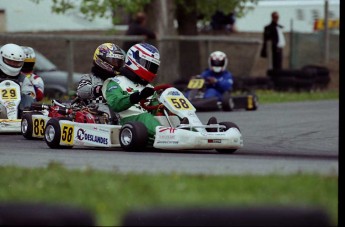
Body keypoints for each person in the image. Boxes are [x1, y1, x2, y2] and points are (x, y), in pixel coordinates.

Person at [102, 43, 161, 144]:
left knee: (171, 117)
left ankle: (192, 133)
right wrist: (138, 97)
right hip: (125, 120)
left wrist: (163, 108)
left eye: (154, 67)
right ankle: (167, 135)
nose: (151, 70)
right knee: (145, 117)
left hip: (146, 123)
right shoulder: (116, 82)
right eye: (149, 66)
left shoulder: (149, 88)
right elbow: (115, 103)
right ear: (135, 61)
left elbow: (156, 111)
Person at [76, 43, 125, 118]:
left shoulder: (120, 80)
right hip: (95, 112)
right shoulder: (89, 77)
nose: (117, 65)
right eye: (114, 61)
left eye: (118, 62)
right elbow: (81, 91)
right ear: (101, 60)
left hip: (117, 109)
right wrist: (97, 89)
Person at [0, 43, 35, 118]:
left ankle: (25, 121)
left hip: (18, 112)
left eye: (16, 62)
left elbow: (31, 98)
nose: (13, 64)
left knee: (28, 98)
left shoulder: (23, 79)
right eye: (9, 61)